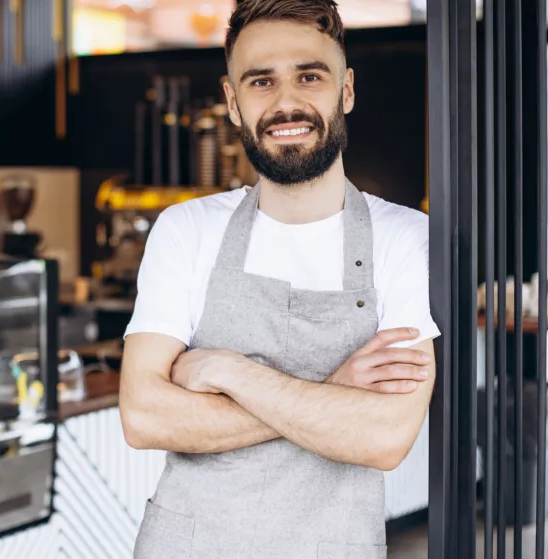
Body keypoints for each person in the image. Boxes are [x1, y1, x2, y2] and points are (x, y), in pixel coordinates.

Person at [119, 0, 440, 556]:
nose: (286, 102)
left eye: (309, 76)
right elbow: (144, 417)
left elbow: (384, 437)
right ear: (233, 102)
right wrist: (332, 393)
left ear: (347, 91)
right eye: (261, 81)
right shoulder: (186, 230)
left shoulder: (405, 237)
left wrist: (225, 370)